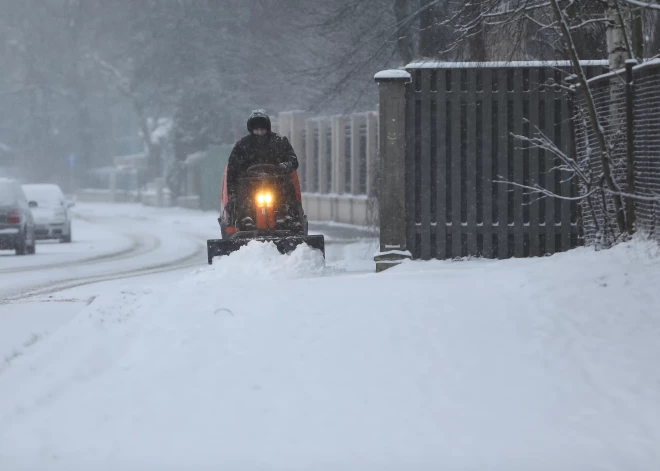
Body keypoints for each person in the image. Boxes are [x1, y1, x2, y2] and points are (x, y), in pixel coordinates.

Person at [225, 109, 300, 228]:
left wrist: (284, 166)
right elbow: (233, 167)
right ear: (251, 129)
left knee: (287, 188)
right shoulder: (242, 145)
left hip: (275, 180)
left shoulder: (279, 141)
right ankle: (246, 217)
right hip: (249, 183)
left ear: (268, 127)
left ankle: (288, 216)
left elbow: (293, 160)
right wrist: (239, 179)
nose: (260, 131)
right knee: (241, 191)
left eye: (262, 128)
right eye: (256, 129)